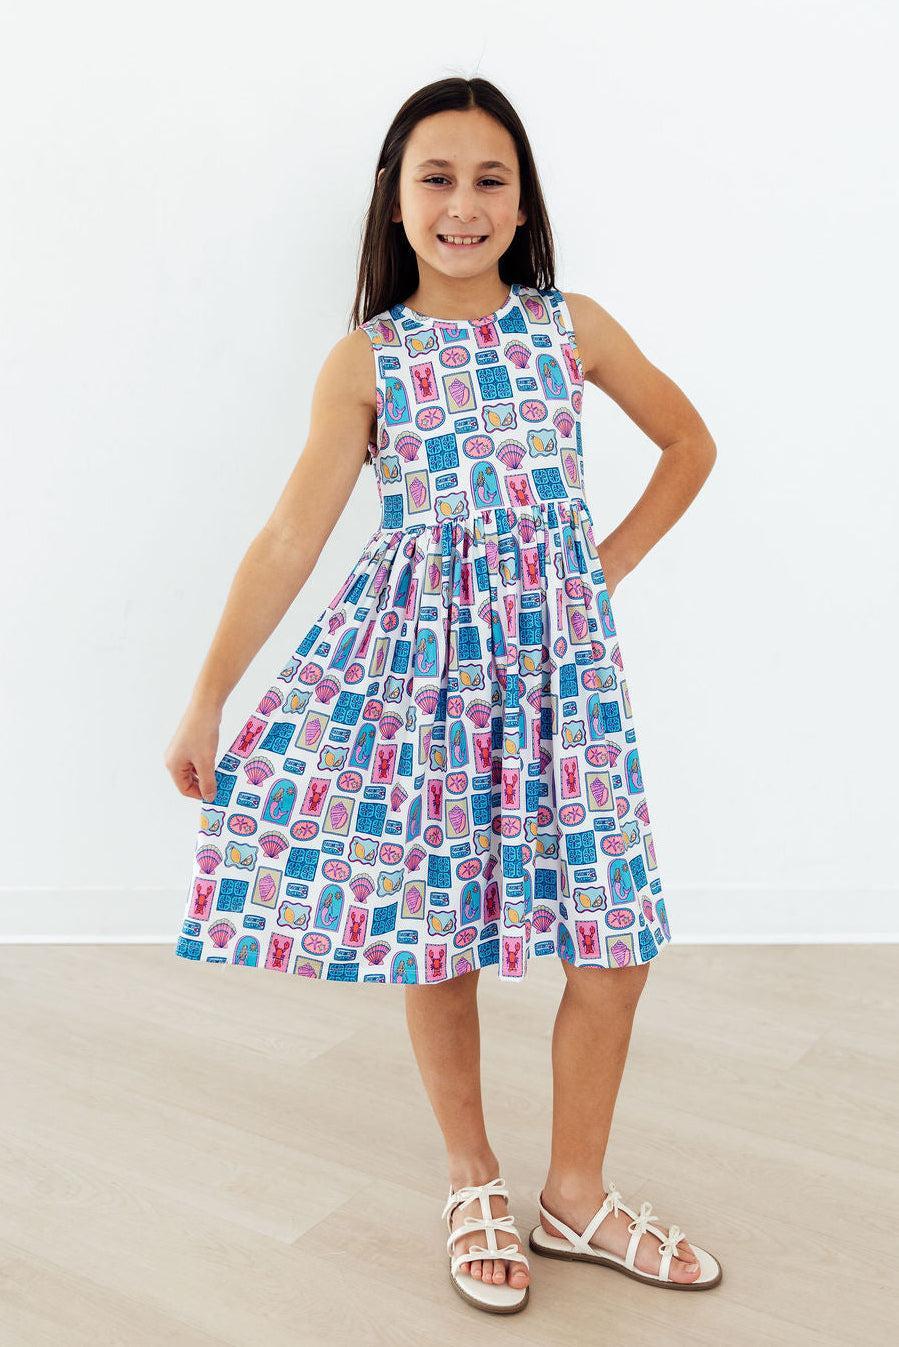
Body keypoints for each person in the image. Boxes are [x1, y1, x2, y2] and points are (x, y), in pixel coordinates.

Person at [165, 76, 722, 1314]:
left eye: (488, 180)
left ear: (522, 204)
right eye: (436, 178)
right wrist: (209, 695)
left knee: (613, 942)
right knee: (441, 932)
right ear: (394, 199)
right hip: (427, 683)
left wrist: (599, 569)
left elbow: (688, 444)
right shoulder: (368, 359)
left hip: (566, 682)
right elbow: (289, 539)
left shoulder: (571, 328)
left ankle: (574, 1195)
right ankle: (472, 1176)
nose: (462, 205)